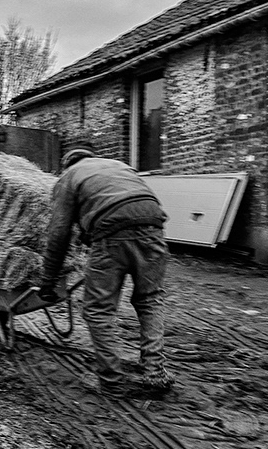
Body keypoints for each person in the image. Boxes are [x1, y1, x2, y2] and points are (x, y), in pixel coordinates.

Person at [39, 143, 173, 398]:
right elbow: (133, 202)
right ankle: (155, 373)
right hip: (154, 227)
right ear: (92, 156)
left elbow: (58, 233)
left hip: (112, 234)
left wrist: (48, 280)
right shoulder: (120, 166)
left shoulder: (68, 178)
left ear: (66, 164)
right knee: (150, 299)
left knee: (98, 309)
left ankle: (112, 381)